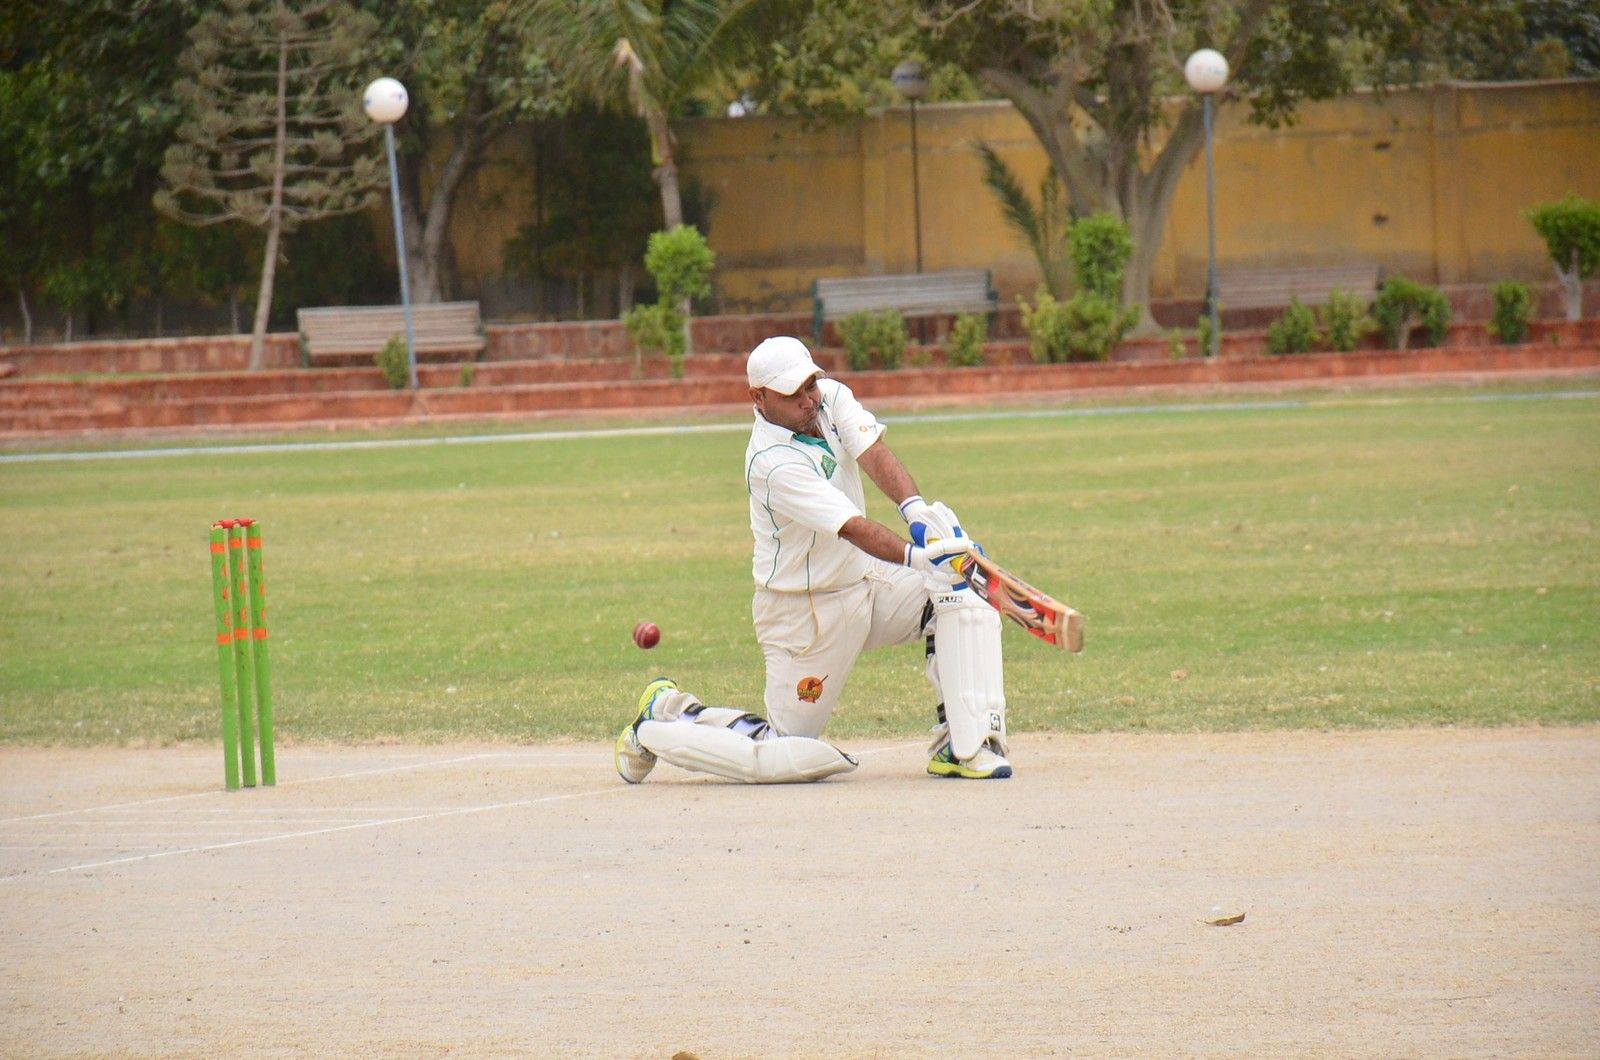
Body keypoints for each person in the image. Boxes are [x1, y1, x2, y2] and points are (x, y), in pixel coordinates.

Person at [614, 335, 1010, 784]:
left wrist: (916, 510)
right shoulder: (771, 463)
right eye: (792, 394)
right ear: (758, 397)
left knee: (961, 593)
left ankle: (963, 746)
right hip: (805, 614)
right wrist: (921, 557)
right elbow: (851, 526)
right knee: (780, 751)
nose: (808, 400)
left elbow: (873, 453)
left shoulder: (830, 397)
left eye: (810, 385)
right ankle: (664, 713)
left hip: (868, 581)